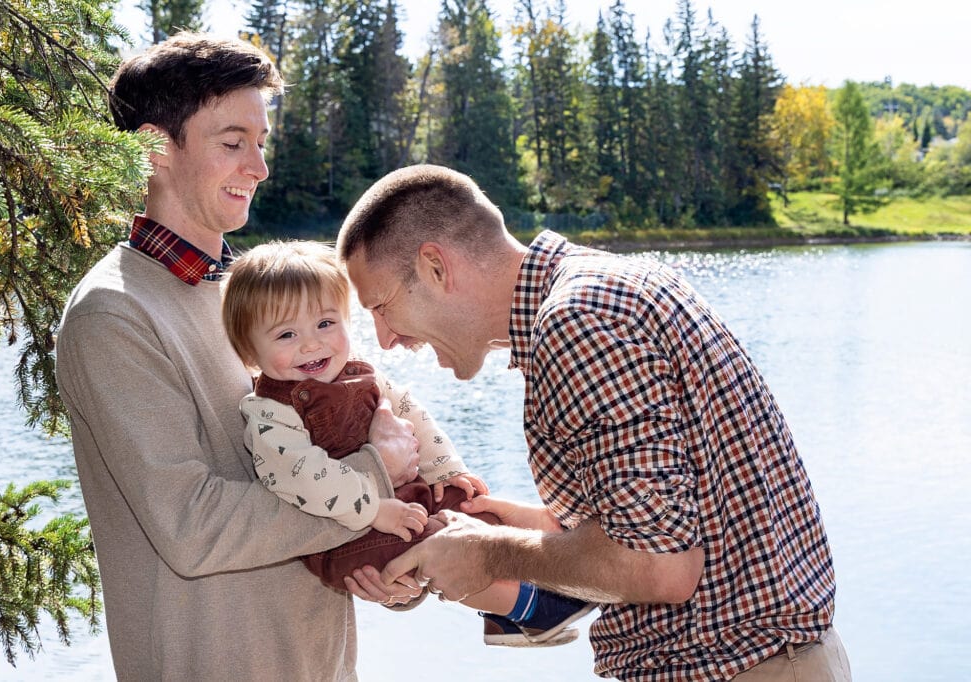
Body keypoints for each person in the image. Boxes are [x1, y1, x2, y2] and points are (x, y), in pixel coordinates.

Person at [336, 164, 852, 681]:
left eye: (381, 307)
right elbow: (681, 512)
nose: (385, 340)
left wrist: (488, 554)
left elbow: (660, 566)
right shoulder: (602, 287)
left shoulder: (576, 324)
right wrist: (527, 525)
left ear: (435, 268)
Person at [54, 33, 420, 680]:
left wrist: (375, 557)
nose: (259, 166)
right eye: (232, 143)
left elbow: (305, 476)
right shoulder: (112, 314)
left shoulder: (256, 298)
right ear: (154, 149)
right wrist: (373, 480)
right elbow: (193, 525)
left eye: (261, 142)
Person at [219, 240, 594, 646]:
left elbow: (414, 416)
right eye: (287, 334)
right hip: (344, 532)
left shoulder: (362, 373)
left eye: (326, 323)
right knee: (433, 544)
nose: (312, 344)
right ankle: (529, 607)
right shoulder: (270, 412)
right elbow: (306, 478)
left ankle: (504, 608)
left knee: (468, 505)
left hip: (398, 499)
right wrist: (375, 509)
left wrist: (448, 469)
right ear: (249, 352)